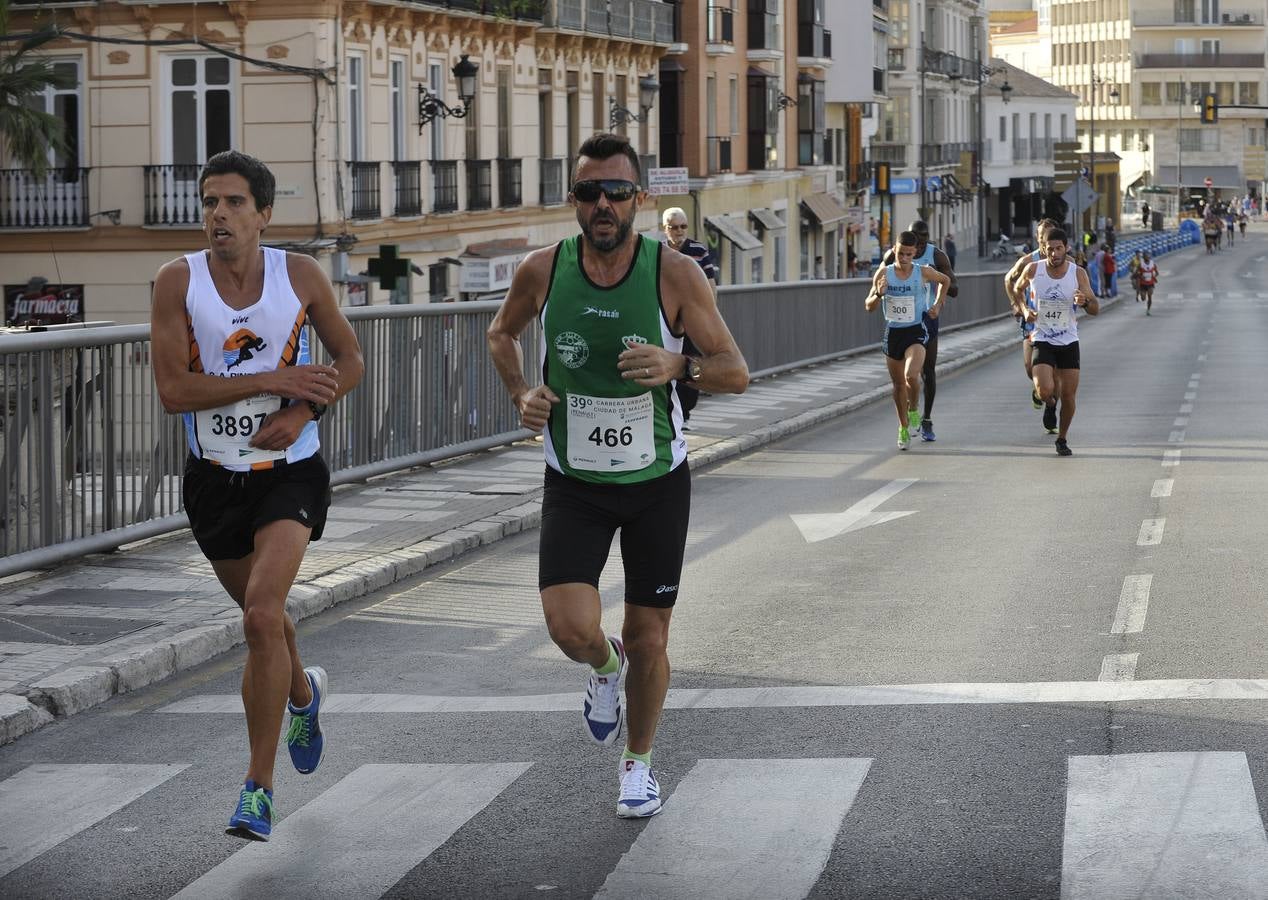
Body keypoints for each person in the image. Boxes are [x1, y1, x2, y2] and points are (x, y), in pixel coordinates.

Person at [486, 133, 749, 819]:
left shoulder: (674, 275)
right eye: (588, 192)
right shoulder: (543, 270)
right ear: (573, 200)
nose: (602, 204)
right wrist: (520, 392)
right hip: (575, 477)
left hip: (657, 478)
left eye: (616, 192)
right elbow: (500, 333)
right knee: (569, 626)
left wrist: (678, 366)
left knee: (649, 636)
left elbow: (735, 370)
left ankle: (638, 765)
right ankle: (604, 671)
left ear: (640, 199)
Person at [150, 150, 364, 841]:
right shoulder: (175, 283)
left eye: (235, 202)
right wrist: (272, 379)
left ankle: (258, 790)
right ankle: (303, 694)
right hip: (215, 480)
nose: (218, 214)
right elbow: (174, 391)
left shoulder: (297, 274)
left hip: (290, 474)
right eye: (210, 201)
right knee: (264, 622)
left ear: (264, 215)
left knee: (262, 616)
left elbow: (349, 359)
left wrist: (303, 413)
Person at [1015, 228, 1098, 456]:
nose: (1054, 253)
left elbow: (1095, 308)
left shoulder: (1077, 273)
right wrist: (1024, 309)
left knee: (1069, 395)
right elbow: (1016, 288)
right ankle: (1049, 404)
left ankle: (1062, 438)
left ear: (1066, 248)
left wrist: (1084, 301)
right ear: (1044, 249)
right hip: (1042, 338)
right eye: (1050, 249)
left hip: (1069, 340)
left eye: (1058, 248)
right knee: (1044, 390)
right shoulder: (1033, 269)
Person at [868, 231, 950, 450]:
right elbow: (868, 306)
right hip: (893, 332)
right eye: (900, 253)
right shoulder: (884, 273)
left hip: (915, 330)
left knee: (911, 375)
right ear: (894, 249)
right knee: (897, 385)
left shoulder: (922, 272)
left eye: (909, 254)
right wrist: (878, 293)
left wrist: (938, 304)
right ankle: (903, 428)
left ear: (915, 254)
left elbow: (945, 280)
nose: (904, 258)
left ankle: (914, 408)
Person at [661, 207, 719, 431]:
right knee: (666, 363)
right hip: (666, 320)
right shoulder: (658, 251)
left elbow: (710, 285)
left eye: (683, 226)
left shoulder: (698, 250)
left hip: (692, 320)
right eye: (674, 227)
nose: (679, 231)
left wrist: (709, 316)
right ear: (665, 229)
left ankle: (684, 414)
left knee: (690, 365)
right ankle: (667, 412)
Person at [1004, 218, 1060, 426]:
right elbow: (1008, 280)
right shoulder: (1028, 262)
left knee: (1055, 371)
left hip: (1058, 324)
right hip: (1032, 321)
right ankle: (1040, 390)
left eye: (1047, 237)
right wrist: (1017, 305)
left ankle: (1051, 408)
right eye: (1040, 237)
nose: (1043, 241)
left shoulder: (1065, 262)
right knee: (1030, 367)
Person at [1137, 250, 1159, 316]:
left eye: (1148, 255)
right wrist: (1141, 276)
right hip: (1143, 283)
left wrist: (1154, 276)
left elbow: (1157, 273)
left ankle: (1148, 310)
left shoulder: (1152, 263)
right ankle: (1141, 294)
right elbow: (1137, 273)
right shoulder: (1141, 264)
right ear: (1143, 257)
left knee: (1150, 296)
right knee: (1143, 298)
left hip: (1150, 283)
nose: (1148, 257)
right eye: (1146, 256)